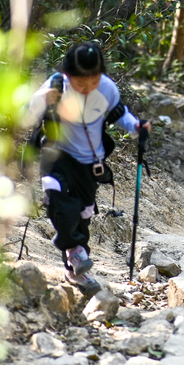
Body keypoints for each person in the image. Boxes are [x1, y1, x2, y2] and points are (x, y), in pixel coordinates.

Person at [23, 42, 149, 295]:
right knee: (57, 199)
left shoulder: (107, 89)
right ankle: (75, 252)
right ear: (69, 75)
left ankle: (75, 268)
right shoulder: (56, 85)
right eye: (81, 84)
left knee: (82, 215)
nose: (87, 88)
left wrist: (137, 128)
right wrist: (41, 101)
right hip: (56, 154)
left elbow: (120, 114)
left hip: (90, 164)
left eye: (92, 82)